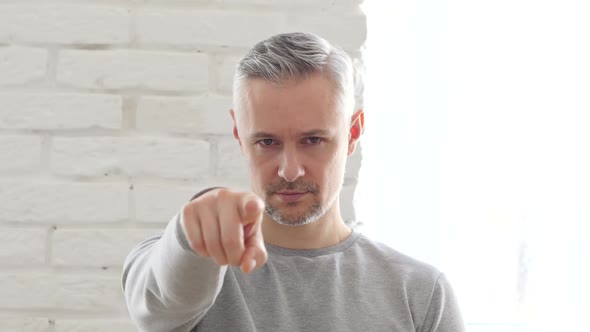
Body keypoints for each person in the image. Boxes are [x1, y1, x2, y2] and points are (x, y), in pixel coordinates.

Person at [122, 32, 465, 332]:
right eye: (267, 142)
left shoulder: (420, 293)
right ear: (240, 135)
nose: (289, 170)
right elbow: (160, 306)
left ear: (352, 133)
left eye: (313, 140)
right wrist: (195, 227)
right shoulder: (185, 262)